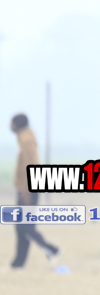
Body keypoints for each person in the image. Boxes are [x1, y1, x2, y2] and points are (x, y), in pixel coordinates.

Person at [9, 114, 60, 270]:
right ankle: (18, 263)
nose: (10, 126)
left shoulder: (25, 141)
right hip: (26, 188)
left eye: (11, 123)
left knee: (26, 227)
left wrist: (26, 191)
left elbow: (28, 167)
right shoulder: (23, 139)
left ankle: (52, 250)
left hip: (28, 189)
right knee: (21, 227)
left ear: (17, 124)